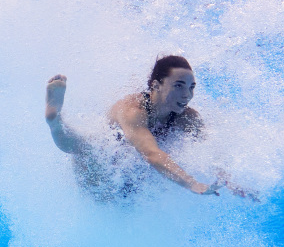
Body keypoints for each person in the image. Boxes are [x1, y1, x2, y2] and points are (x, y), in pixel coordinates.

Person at [43, 55, 262, 201]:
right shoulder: (132, 110)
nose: (187, 95)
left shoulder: (187, 117)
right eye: (179, 86)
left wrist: (230, 182)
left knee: (126, 203)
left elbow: (210, 152)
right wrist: (192, 183)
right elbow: (151, 153)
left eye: (191, 87)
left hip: (129, 176)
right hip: (101, 166)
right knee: (84, 147)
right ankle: (55, 119)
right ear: (155, 85)